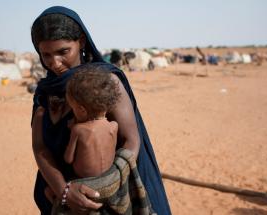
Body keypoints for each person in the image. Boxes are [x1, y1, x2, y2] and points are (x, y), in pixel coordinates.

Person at [31, 6, 172, 215]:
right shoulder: (45, 92)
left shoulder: (105, 82)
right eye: (46, 54)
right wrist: (64, 190)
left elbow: (131, 141)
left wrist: (102, 186)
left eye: (63, 52)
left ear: (81, 42)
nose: (54, 63)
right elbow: (40, 148)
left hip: (104, 201)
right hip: (60, 198)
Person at [42, 65, 120, 204]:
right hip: (109, 179)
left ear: (82, 110)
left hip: (87, 183)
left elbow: (68, 159)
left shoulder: (79, 130)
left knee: (48, 191)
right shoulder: (113, 126)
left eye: (73, 108)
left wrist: (73, 129)